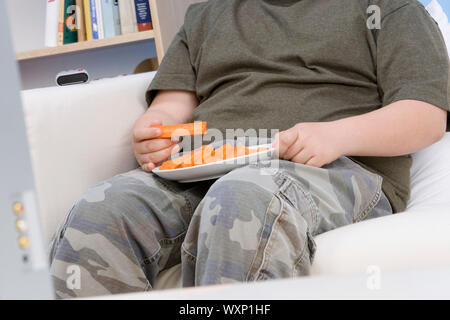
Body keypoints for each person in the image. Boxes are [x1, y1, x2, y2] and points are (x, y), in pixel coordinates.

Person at [49, 0, 449, 298]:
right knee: (101, 208)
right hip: (203, 166)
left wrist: (336, 135)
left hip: (334, 169)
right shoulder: (207, 13)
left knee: (242, 198)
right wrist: (155, 128)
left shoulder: (389, 8)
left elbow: (426, 115)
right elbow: (173, 103)